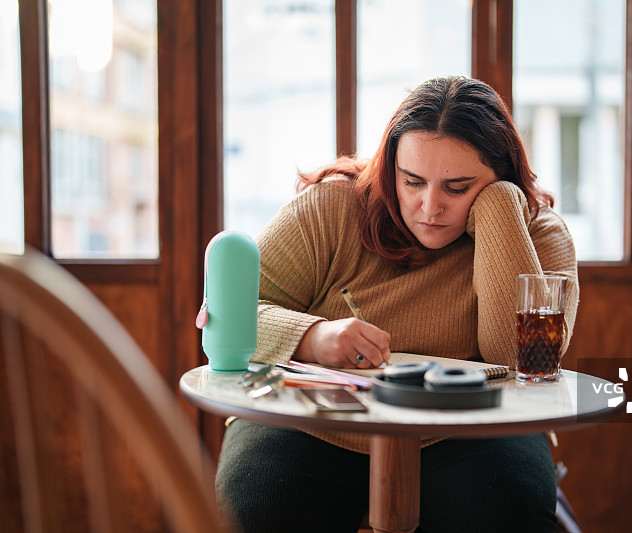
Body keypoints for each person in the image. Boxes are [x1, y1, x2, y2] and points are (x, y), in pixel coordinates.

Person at [215, 76, 579, 533]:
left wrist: (499, 208)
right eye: (412, 182)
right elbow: (229, 315)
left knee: (509, 513)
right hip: (314, 418)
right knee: (260, 506)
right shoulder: (332, 207)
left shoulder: (540, 234)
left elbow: (517, 357)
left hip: (474, 427)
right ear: (391, 169)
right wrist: (313, 337)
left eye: (458, 187)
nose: (430, 207)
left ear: (502, 174)